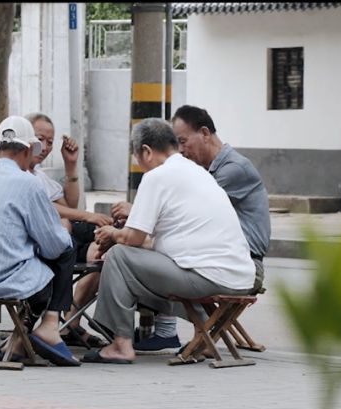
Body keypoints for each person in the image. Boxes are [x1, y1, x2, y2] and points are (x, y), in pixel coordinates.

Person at [83, 118, 256, 365]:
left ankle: (120, 345)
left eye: (138, 158)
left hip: (208, 277)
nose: (139, 165)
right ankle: (203, 336)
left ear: (146, 151)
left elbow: (133, 238)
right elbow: (164, 241)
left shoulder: (157, 176)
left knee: (119, 256)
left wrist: (112, 233)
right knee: (140, 271)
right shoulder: (197, 172)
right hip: (240, 277)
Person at [124, 105, 272, 354]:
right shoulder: (202, 171)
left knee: (151, 262)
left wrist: (138, 213)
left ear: (205, 133)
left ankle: (171, 330)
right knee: (154, 256)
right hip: (218, 258)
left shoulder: (232, 170)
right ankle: (172, 330)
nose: (180, 150)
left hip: (244, 263)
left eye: (182, 141)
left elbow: (184, 212)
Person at [0, 115, 80, 367]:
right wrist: (62, 230)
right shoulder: (28, 183)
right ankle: (50, 325)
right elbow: (55, 245)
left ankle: (18, 343)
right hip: (4, 282)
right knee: (66, 247)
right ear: (26, 150)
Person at [25, 113, 110, 349]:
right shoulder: (19, 176)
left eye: (50, 142)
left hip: (64, 237)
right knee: (79, 230)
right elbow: (52, 209)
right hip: (41, 245)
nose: (44, 147)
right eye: (39, 139)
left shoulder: (39, 175)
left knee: (104, 248)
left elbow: (68, 205)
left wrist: (71, 164)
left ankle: (72, 322)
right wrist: (87, 216)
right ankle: (56, 322)